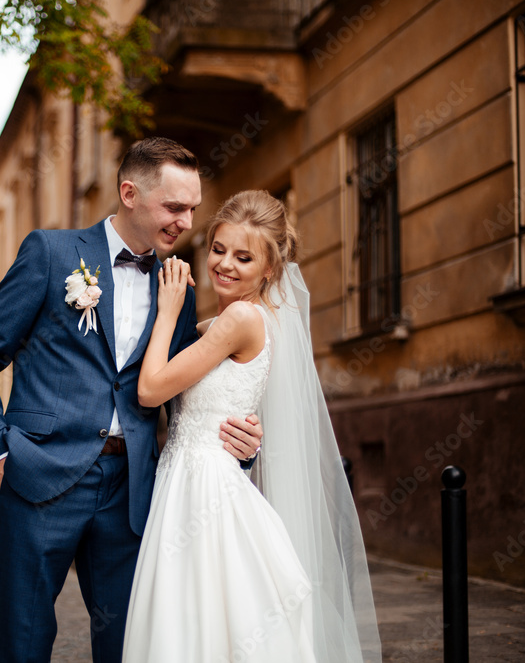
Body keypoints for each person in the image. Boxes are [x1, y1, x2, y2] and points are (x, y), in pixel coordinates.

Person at [0, 137, 264, 663]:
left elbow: (184, 390)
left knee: (129, 646)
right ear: (129, 193)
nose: (186, 221)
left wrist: (239, 441)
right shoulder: (51, 254)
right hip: (37, 479)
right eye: (174, 207)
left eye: (192, 207)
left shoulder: (179, 286)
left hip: (131, 495)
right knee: (24, 643)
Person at [122, 190, 382, 662]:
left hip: (204, 489)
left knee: (198, 622)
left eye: (244, 257)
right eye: (218, 249)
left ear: (270, 270)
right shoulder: (235, 321)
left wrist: (167, 309)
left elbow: (150, 390)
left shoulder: (239, 318)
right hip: (193, 481)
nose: (224, 264)